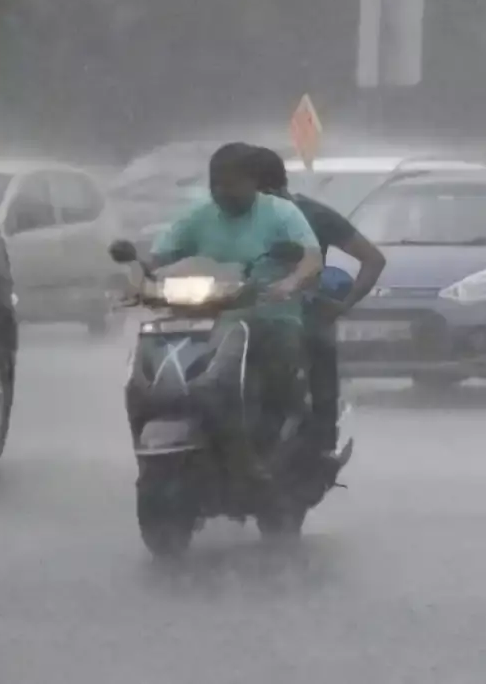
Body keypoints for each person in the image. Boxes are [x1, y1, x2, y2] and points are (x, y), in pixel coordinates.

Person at [149, 142, 324, 475]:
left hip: (270, 315)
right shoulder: (199, 216)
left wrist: (288, 284)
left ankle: (281, 432)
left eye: (231, 183)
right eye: (216, 184)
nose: (222, 191)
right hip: (209, 317)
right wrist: (136, 277)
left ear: (251, 183)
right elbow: (159, 255)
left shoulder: (280, 213)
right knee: (160, 350)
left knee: (279, 367)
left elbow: (310, 258)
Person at [244, 146, 386, 458]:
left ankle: (323, 443)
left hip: (299, 315)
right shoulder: (224, 220)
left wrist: (342, 305)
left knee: (319, 345)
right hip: (239, 316)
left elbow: (373, 259)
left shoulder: (314, 216)